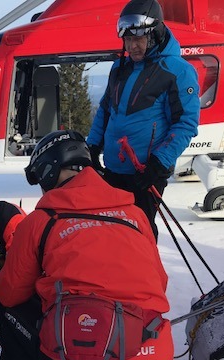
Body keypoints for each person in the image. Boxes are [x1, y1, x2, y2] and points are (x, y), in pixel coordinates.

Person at [0, 130, 193, 360]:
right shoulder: (135, 214)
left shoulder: (42, 220)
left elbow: (9, 293)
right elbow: (159, 283)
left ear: (50, 173)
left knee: (4, 308)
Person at [87, 0, 200, 239]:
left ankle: (146, 275)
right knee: (113, 232)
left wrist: (158, 164)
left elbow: (186, 124)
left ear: (155, 34)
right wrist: (93, 146)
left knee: (139, 233)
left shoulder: (177, 70)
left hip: (145, 174)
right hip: (114, 170)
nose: (132, 46)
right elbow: (106, 110)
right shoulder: (120, 68)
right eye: (127, 40)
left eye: (138, 39)